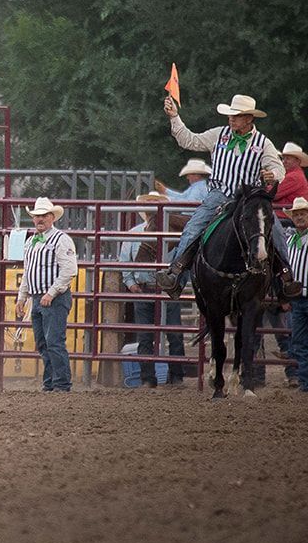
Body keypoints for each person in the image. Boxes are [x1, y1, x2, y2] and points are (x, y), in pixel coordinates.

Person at [154, 93, 295, 297]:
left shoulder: (263, 144)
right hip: (220, 194)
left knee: (277, 232)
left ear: (249, 118)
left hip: (250, 199)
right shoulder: (218, 134)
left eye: (236, 115)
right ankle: (175, 275)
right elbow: (189, 140)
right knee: (193, 227)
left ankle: (285, 278)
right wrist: (174, 117)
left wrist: (273, 174)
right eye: (230, 115)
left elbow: (278, 168)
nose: (231, 119)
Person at [119, 193, 185, 388]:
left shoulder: (174, 233)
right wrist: (131, 283)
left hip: (166, 288)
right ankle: (149, 378)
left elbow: (183, 259)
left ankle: (176, 375)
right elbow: (125, 262)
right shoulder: (134, 233)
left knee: (174, 334)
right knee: (146, 336)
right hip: (145, 289)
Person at [18, 197, 77, 393]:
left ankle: (60, 383)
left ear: (52, 217)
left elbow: (69, 270)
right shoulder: (31, 242)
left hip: (54, 298)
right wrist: (22, 296)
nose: (40, 219)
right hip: (37, 297)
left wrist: (51, 293)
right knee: (44, 343)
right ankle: (51, 381)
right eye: (37, 216)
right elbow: (28, 272)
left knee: (54, 341)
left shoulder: (61, 239)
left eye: (44, 216)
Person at [275, 198, 308, 394]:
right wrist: (285, 296)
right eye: (296, 214)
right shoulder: (289, 240)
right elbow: (284, 271)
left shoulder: (291, 240)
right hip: (296, 299)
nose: (299, 217)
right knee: (299, 343)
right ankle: (305, 383)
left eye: (303, 213)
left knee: (300, 342)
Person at [276, 143, 308, 213]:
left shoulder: (294, 176)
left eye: (288, 159)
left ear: (298, 161)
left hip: (287, 215)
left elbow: (273, 194)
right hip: (286, 213)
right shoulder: (294, 174)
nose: (284, 161)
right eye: (283, 158)